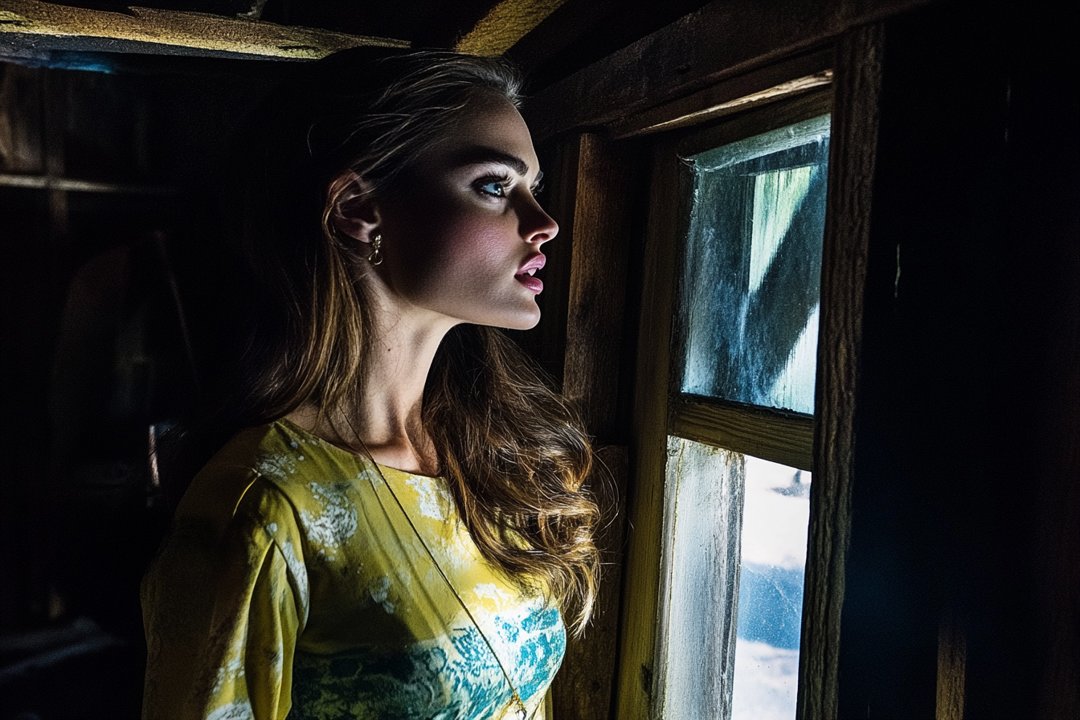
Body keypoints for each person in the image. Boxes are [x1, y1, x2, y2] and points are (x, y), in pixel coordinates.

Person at [140, 49, 600, 720]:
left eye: (532, 187)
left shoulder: (490, 457)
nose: (545, 223)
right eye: (495, 186)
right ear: (359, 209)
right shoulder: (263, 505)